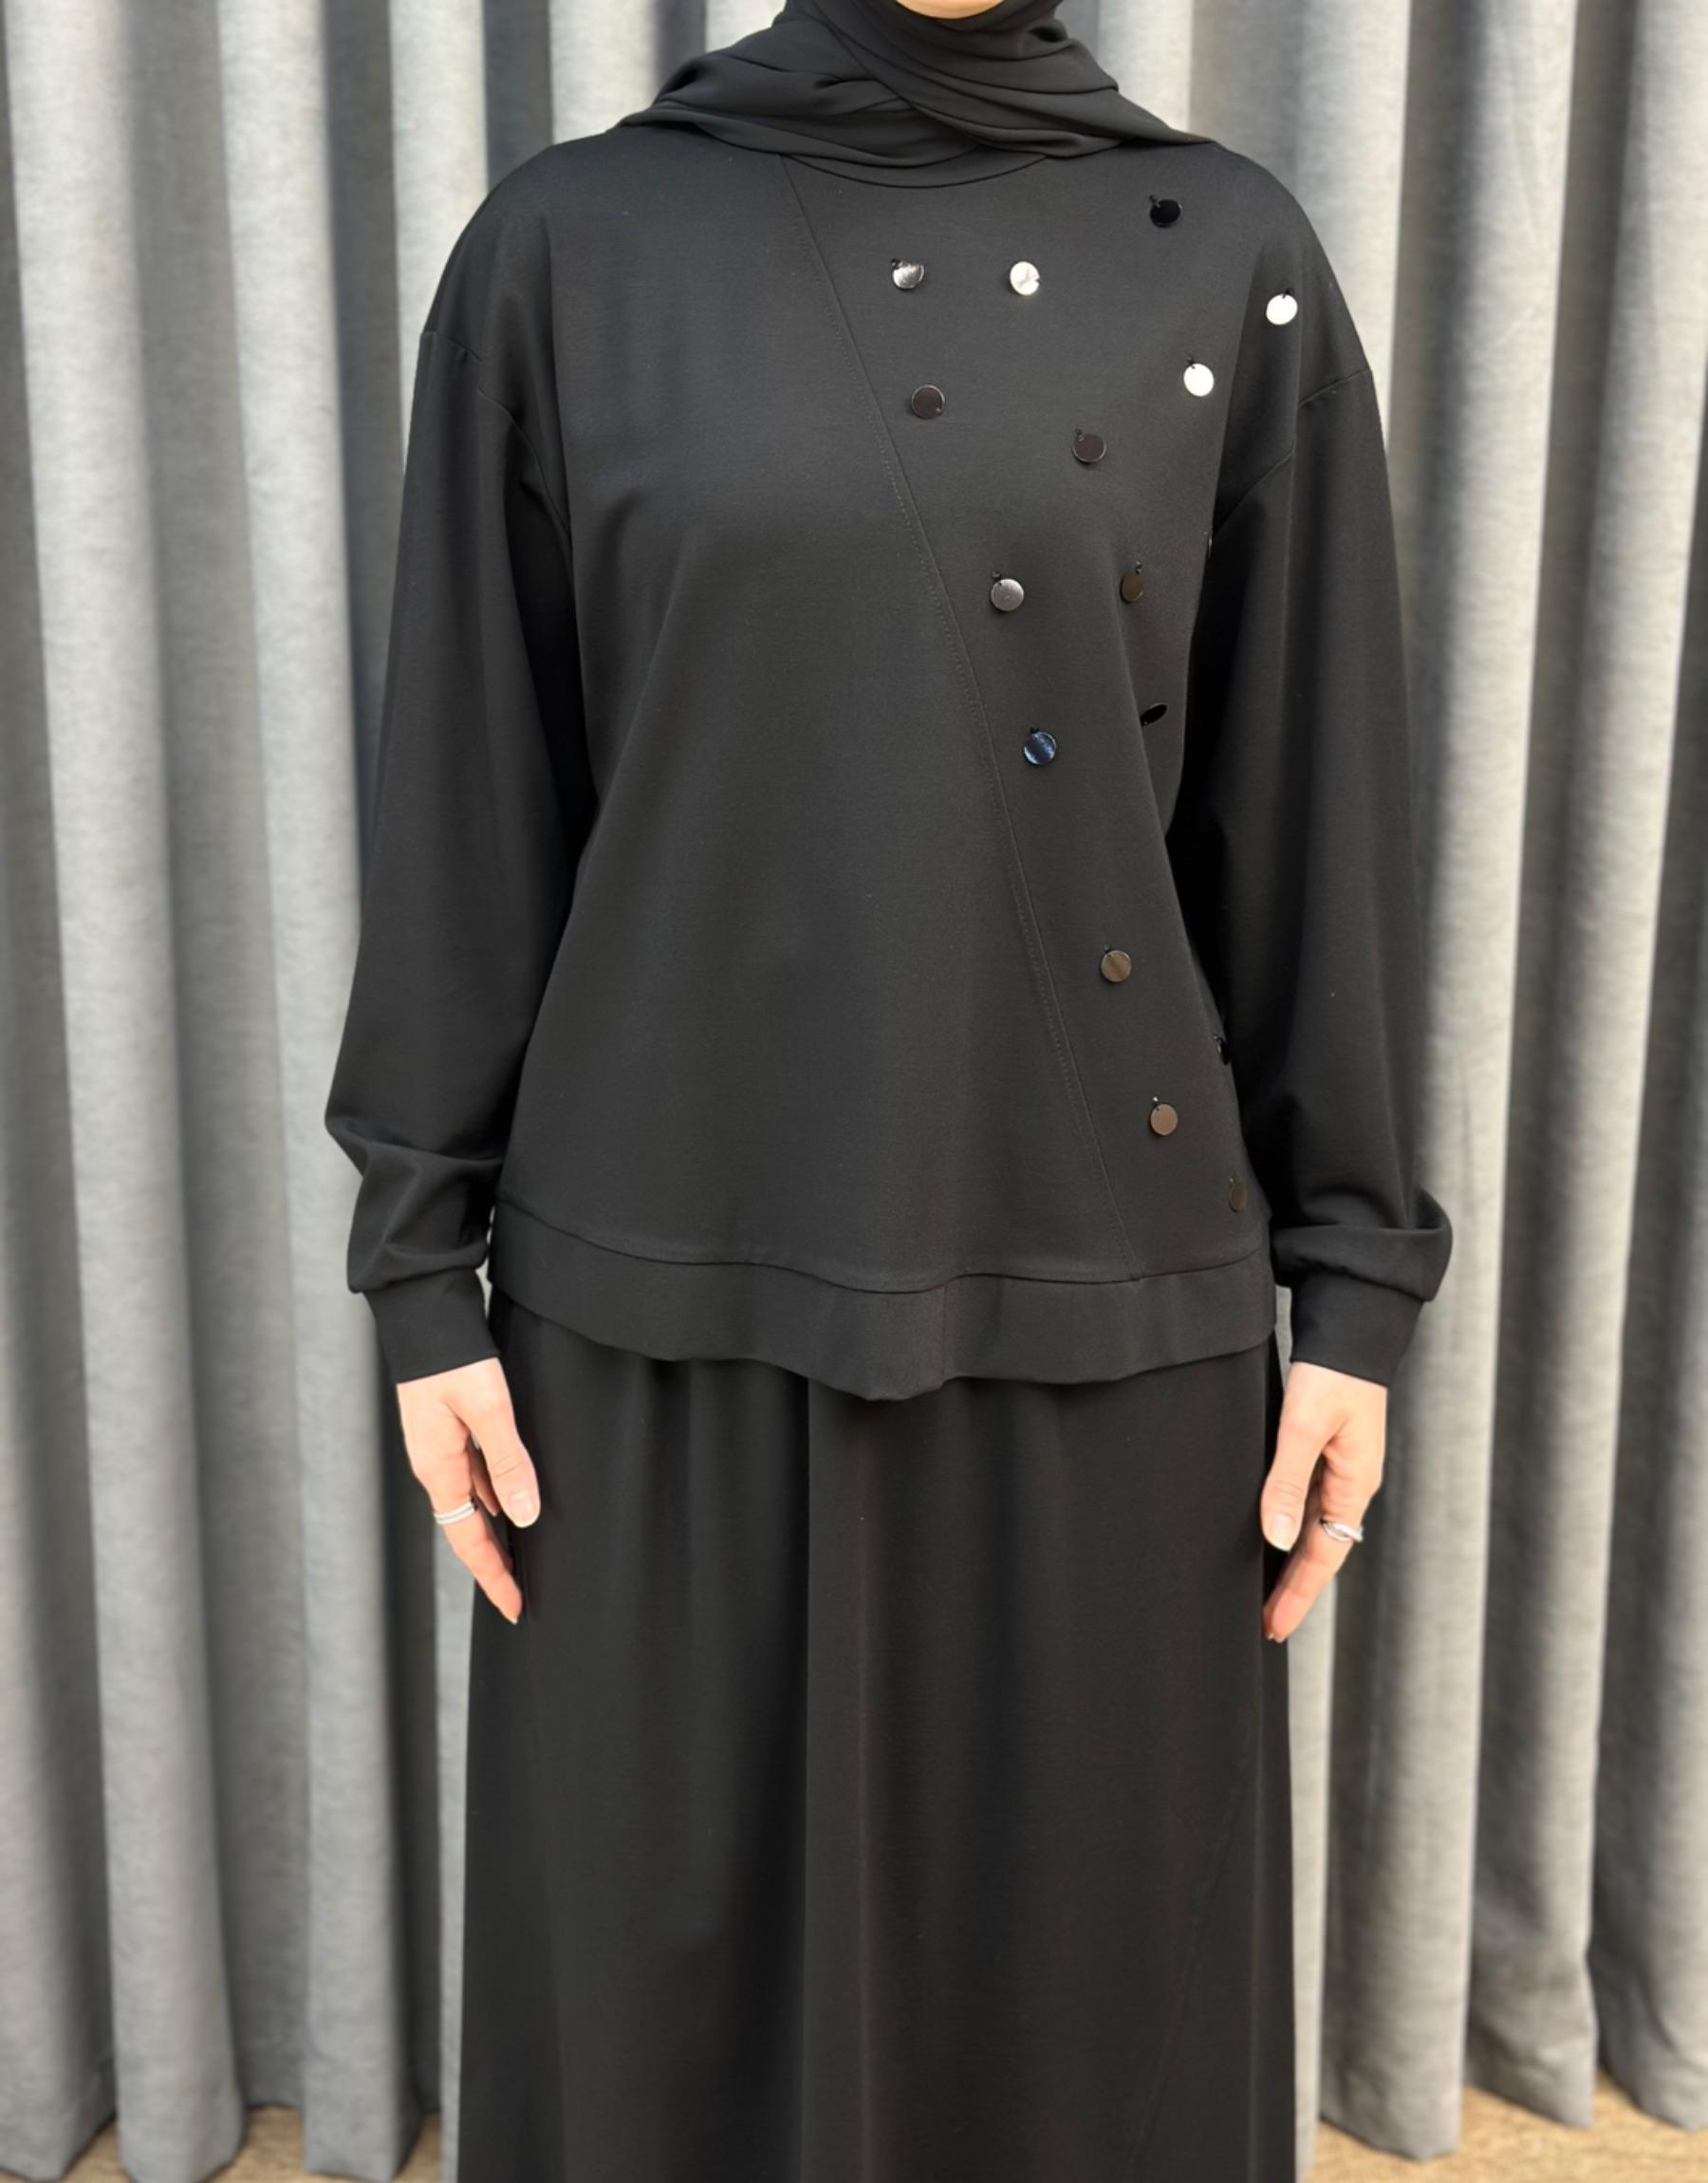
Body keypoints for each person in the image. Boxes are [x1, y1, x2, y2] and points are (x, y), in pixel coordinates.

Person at [323, 2, 1454, 2175]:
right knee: (669, 2062)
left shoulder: (1227, 255)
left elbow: (1311, 816)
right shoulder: (567, 253)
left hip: (1108, 1321)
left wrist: (1359, 1285)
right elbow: (469, 797)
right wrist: (418, 1270)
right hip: (654, 1331)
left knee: (1084, 2049)